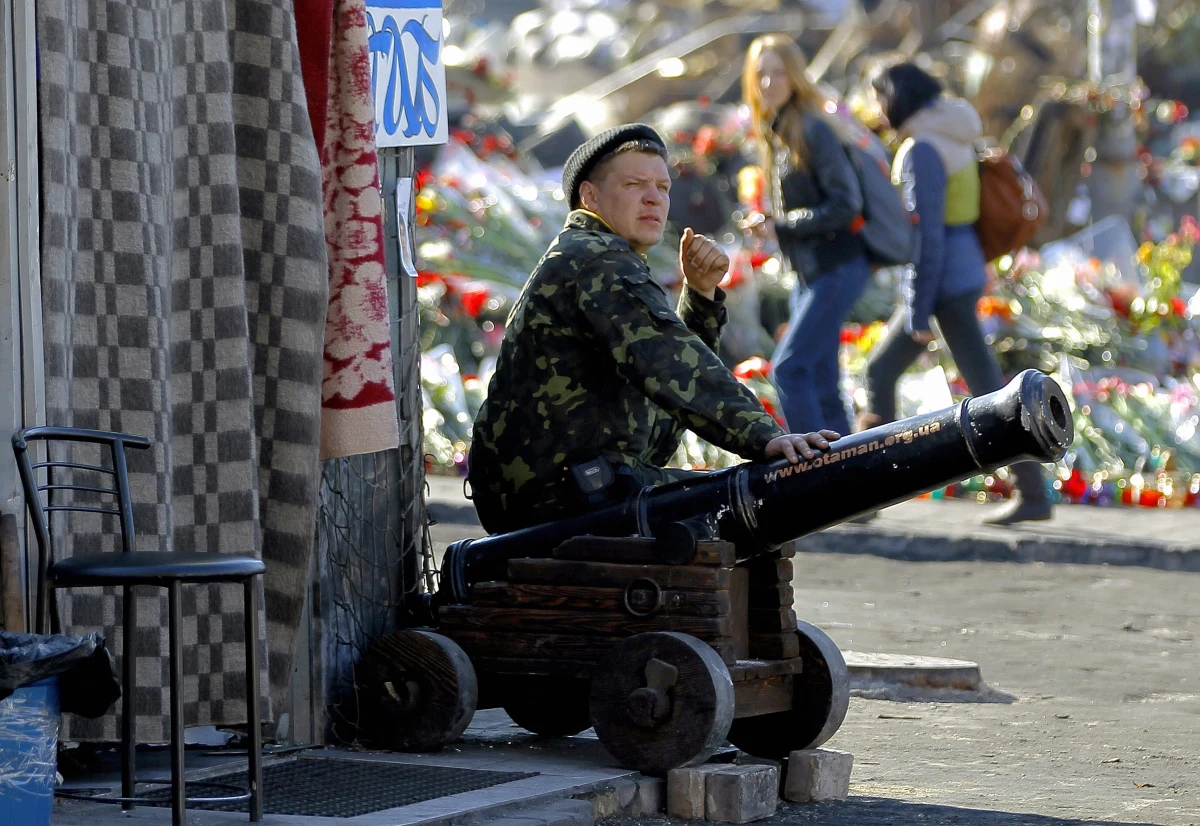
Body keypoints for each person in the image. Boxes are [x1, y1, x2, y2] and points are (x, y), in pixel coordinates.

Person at [467, 123, 837, 534]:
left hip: (563, 486)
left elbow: (661, 418)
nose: (653, 199)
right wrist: (766, 437)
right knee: (763, 499)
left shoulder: (597, 256)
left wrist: (699, 294)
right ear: (590, 197)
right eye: (634, 184)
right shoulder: (594, 257)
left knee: (755, 499)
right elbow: (670, 364)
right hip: (557, 493)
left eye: (663, 188)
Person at [861, 63, 1051, 525]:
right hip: (963, 270)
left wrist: (918, 310)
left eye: (878, 97)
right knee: (980, 382)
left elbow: (926, 235)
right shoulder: (954, 133)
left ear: (896, 99)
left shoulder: (921, 148)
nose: (876, 109)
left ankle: (871, 493)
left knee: (883, 372)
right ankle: (1033, 494)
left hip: (942, 279)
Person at [742, 34, 871, 437]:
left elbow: (845, 203)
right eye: (761, 75)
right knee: (821, 382)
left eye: (778, 74)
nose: (768, 83)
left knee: (789, 370)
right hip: (810, 273)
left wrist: (781, 224)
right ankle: (856, 488)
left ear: (795, 76)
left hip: (836, 268)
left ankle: (817, 482)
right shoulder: (779, 129)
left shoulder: (813, 128)